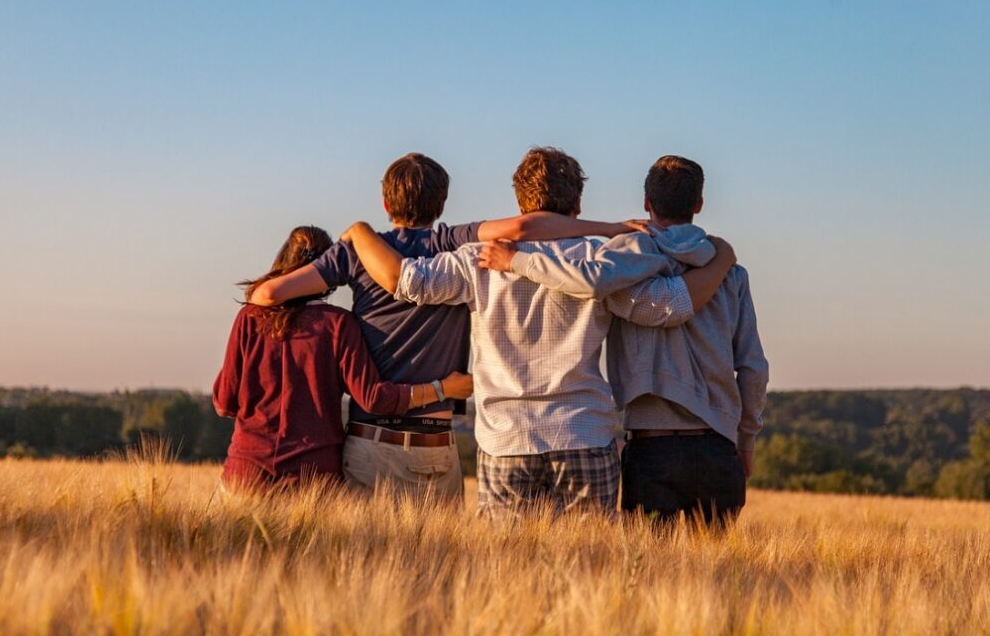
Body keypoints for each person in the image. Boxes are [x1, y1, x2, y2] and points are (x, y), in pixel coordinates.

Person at [341, 148, 736, 517]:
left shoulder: (476, 260)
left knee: (508, 574)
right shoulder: (601, 260)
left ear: (519, 203)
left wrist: (360, 232)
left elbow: (406, 281)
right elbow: (667, 307)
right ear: (577, 204)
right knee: (590, 571)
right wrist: (721, 261)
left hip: (506, 439)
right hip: (584, 433)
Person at [247, 152, 648, 501]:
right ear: (442, 204)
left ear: (385, 202)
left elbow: (267, 296)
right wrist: (610, 229)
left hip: (372, 440)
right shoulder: (452, 242)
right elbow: (525, 228)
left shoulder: (356, 252)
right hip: (437, 443)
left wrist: (352, 241)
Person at [480, 155, 768, 526]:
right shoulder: (730, 273)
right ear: (698, 205)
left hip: (652, 449)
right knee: (717, 579)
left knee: (646, 576)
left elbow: (590, 281)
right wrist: (746, 440)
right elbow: (753, 368)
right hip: (719, 447)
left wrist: (517, 261)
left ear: (646, 203)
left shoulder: (622, 262)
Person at [212, 225, 473, 493]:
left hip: (246, 473)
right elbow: (373, 398)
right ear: (329, 271)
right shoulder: (338, 324)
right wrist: (442, 389)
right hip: (313, 479)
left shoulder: (249, 318)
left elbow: (224, 402)